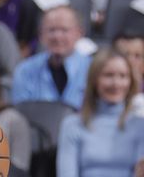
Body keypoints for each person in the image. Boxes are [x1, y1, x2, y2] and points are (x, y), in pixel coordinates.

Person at [57, 48, 144, 177]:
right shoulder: (72, 125)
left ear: (130, 82)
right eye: (108, 75)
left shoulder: (140, 126)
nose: (116, 83)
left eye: (123, 76)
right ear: (94, 80)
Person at [11, 6, 92, 109]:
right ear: (41, 35)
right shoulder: (24, 70)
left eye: (64, 30)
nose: (57, 36)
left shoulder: (93, 70)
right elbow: (20, 113)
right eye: (51, 30)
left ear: (79, 34)